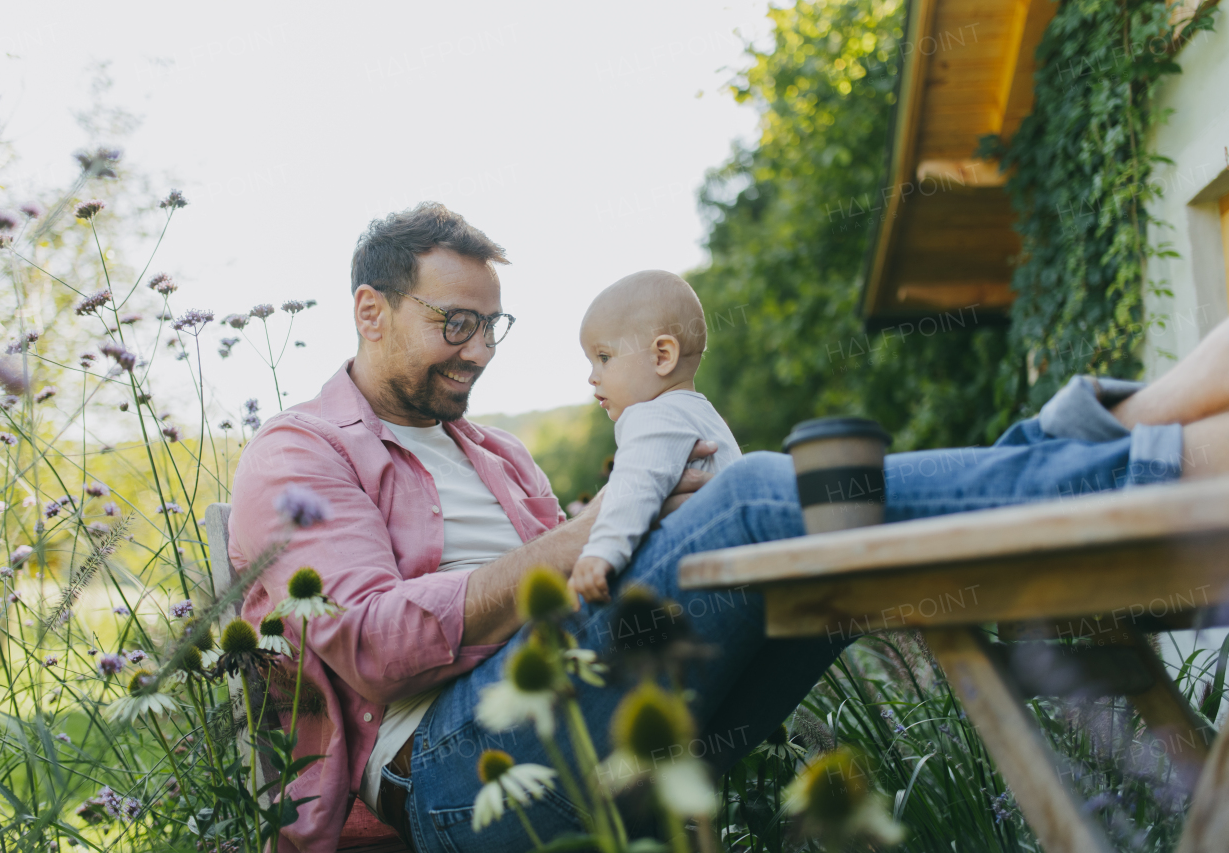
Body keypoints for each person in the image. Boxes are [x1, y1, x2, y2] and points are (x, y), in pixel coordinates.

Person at [226, 202, 1229, 853]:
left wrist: (640, 522)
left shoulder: (495, 455)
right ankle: (1137, 444)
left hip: (605, 714)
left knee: (810, 565)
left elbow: (589, 581)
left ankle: (1113, 447)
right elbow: (364, 645)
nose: (481, 350)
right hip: (452, 776)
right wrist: (576, 543)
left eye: (495, 326)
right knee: (758, 497)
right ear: (370, 310)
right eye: (456, 323)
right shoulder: (300, 454)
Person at [571, 270, 741, 604]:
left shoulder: (653, 415)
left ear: (662, 355)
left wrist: (600, 552)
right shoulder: (702, 413)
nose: (592, 377)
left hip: (704, 584)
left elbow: (636, 484)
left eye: (604, 357)